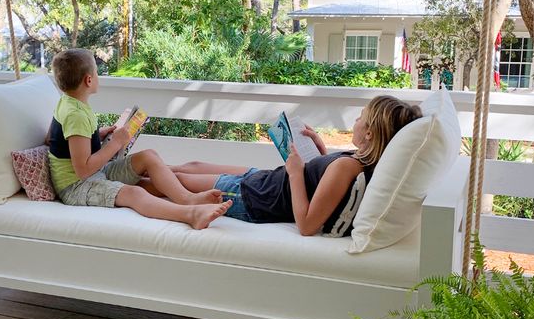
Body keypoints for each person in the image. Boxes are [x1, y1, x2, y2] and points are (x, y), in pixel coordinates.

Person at [171, 96, 422, 237]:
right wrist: (320, 152)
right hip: (265, 181)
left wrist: (294, 172)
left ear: (369, 133)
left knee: (178, 181)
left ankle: (137, 182)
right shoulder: (362, 161)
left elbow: (307, 225)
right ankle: (139, 172)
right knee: (191, 166)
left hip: (255, 197)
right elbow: (326, 185)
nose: (355, 121)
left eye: (361, 118)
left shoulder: (349, 167)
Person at [48, 48, 229, 229]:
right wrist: (116, 143)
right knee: (134, 192)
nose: (97, 76)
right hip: (76, 186)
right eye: (96, 72)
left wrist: (95, 135)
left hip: (96, 171)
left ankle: (188, 199)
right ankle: (191, 215)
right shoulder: (75, 115)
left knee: (148, 156)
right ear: (88, 80)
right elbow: (83, 170)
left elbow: (52, 139)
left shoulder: (68, 102)